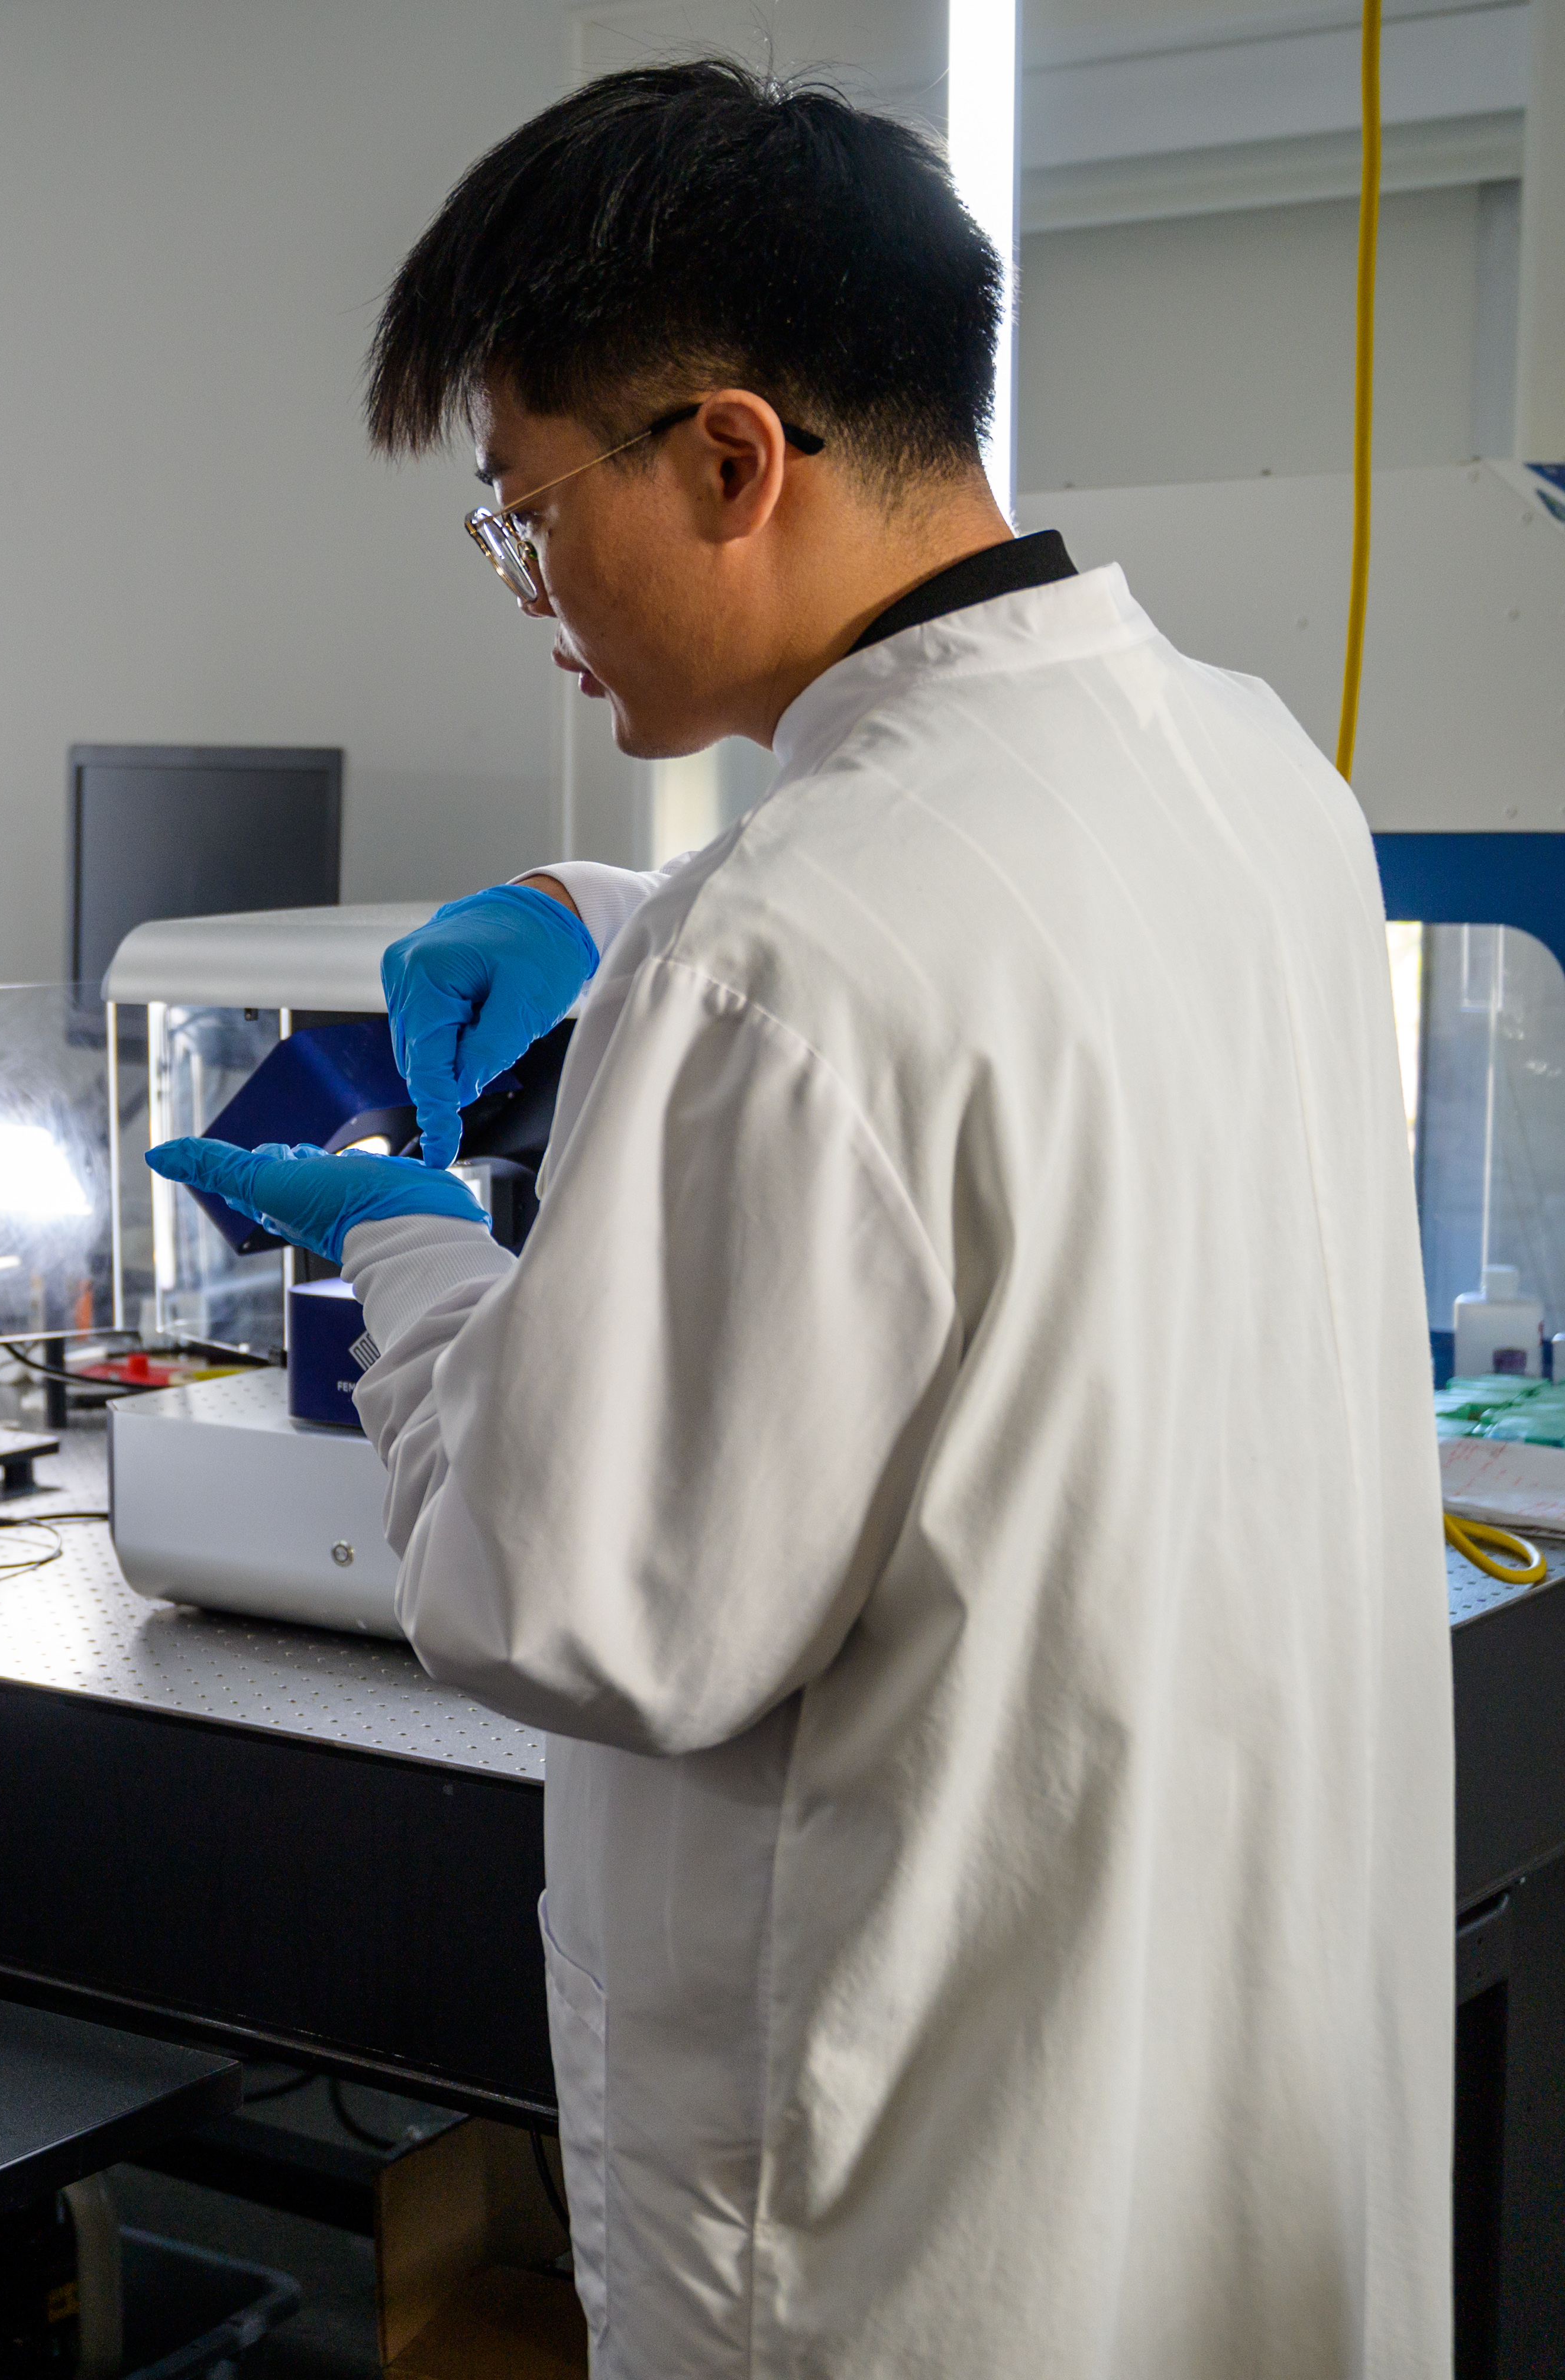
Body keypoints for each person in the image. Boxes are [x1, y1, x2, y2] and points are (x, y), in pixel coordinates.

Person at [149, 62, 1447, 2379]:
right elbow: (1006, 981)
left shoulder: (789, 946)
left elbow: (580, 1599)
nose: (531, 592)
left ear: (734, 458)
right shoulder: (1252, 773)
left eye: (532, 515)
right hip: (1210, 2096)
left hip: (919, 2214)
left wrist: (411, 1238)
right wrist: (595, 912)